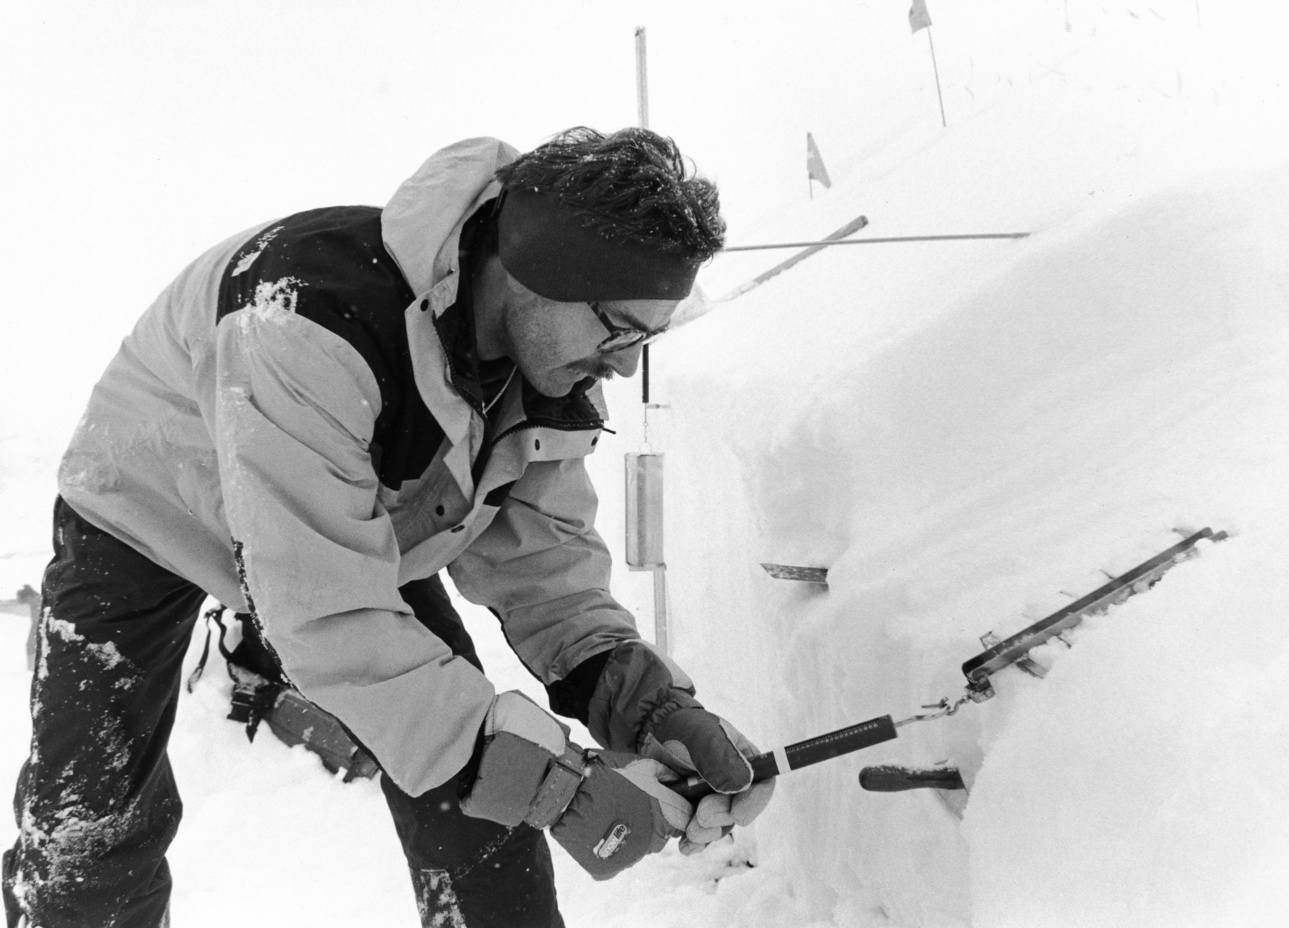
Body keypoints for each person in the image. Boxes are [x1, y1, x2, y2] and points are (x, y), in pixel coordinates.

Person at [2, 127, 774, 928]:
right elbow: (329, 617)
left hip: (351, 537)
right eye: (618, 327)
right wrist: (561, 786)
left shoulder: (548, 372)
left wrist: (646, 709)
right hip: (147, 506)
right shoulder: (306, 317)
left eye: (646, 337)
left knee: (480, 810)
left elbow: (546, 572)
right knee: (88, 832)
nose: (623, 365)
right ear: (535, 274)